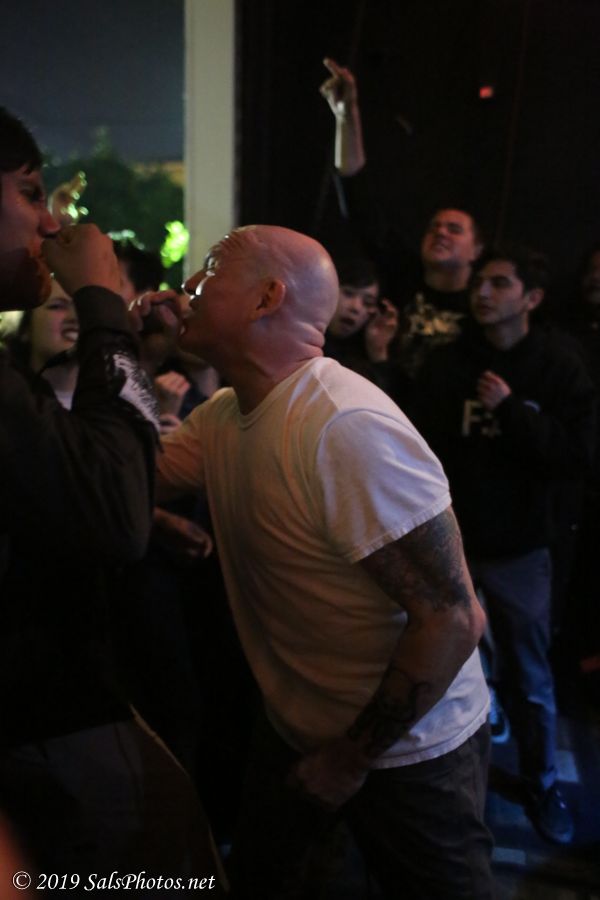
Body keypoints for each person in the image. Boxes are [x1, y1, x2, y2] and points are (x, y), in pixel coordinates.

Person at [157, 224, 493, 899]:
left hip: (407, 751)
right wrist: (121, 344)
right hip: (295, 728)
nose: (186, 285)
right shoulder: (224, 415)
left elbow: (453, 618)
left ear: (266, 298)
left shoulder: (344, 426)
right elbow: (121, 484)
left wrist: (347, 760)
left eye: (209, 270)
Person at [0, 106, 224, 890]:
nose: (51, 221)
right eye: (31, 192)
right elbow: (114, 514)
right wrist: (100, 303)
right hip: (39, 721)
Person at [414, 245, 596, 845]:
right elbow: (418, 449)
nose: (483, 293)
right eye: (480, 283)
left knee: (530, 678)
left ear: (532, 298)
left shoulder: (558, 366)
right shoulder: (449, 363)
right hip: (452, 544)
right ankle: (450, 791)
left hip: (520, 549)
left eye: (499, 283)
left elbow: (575, 456)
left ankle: (541, 783)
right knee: (444, 671)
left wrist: (513, 410)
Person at [320, 58, 483, 377]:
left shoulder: (484, 302)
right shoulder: (403, 275)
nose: (441, 233)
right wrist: (346, 116)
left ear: (477, 250)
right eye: (434, 227)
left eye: (454, 229)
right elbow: (358, 198)